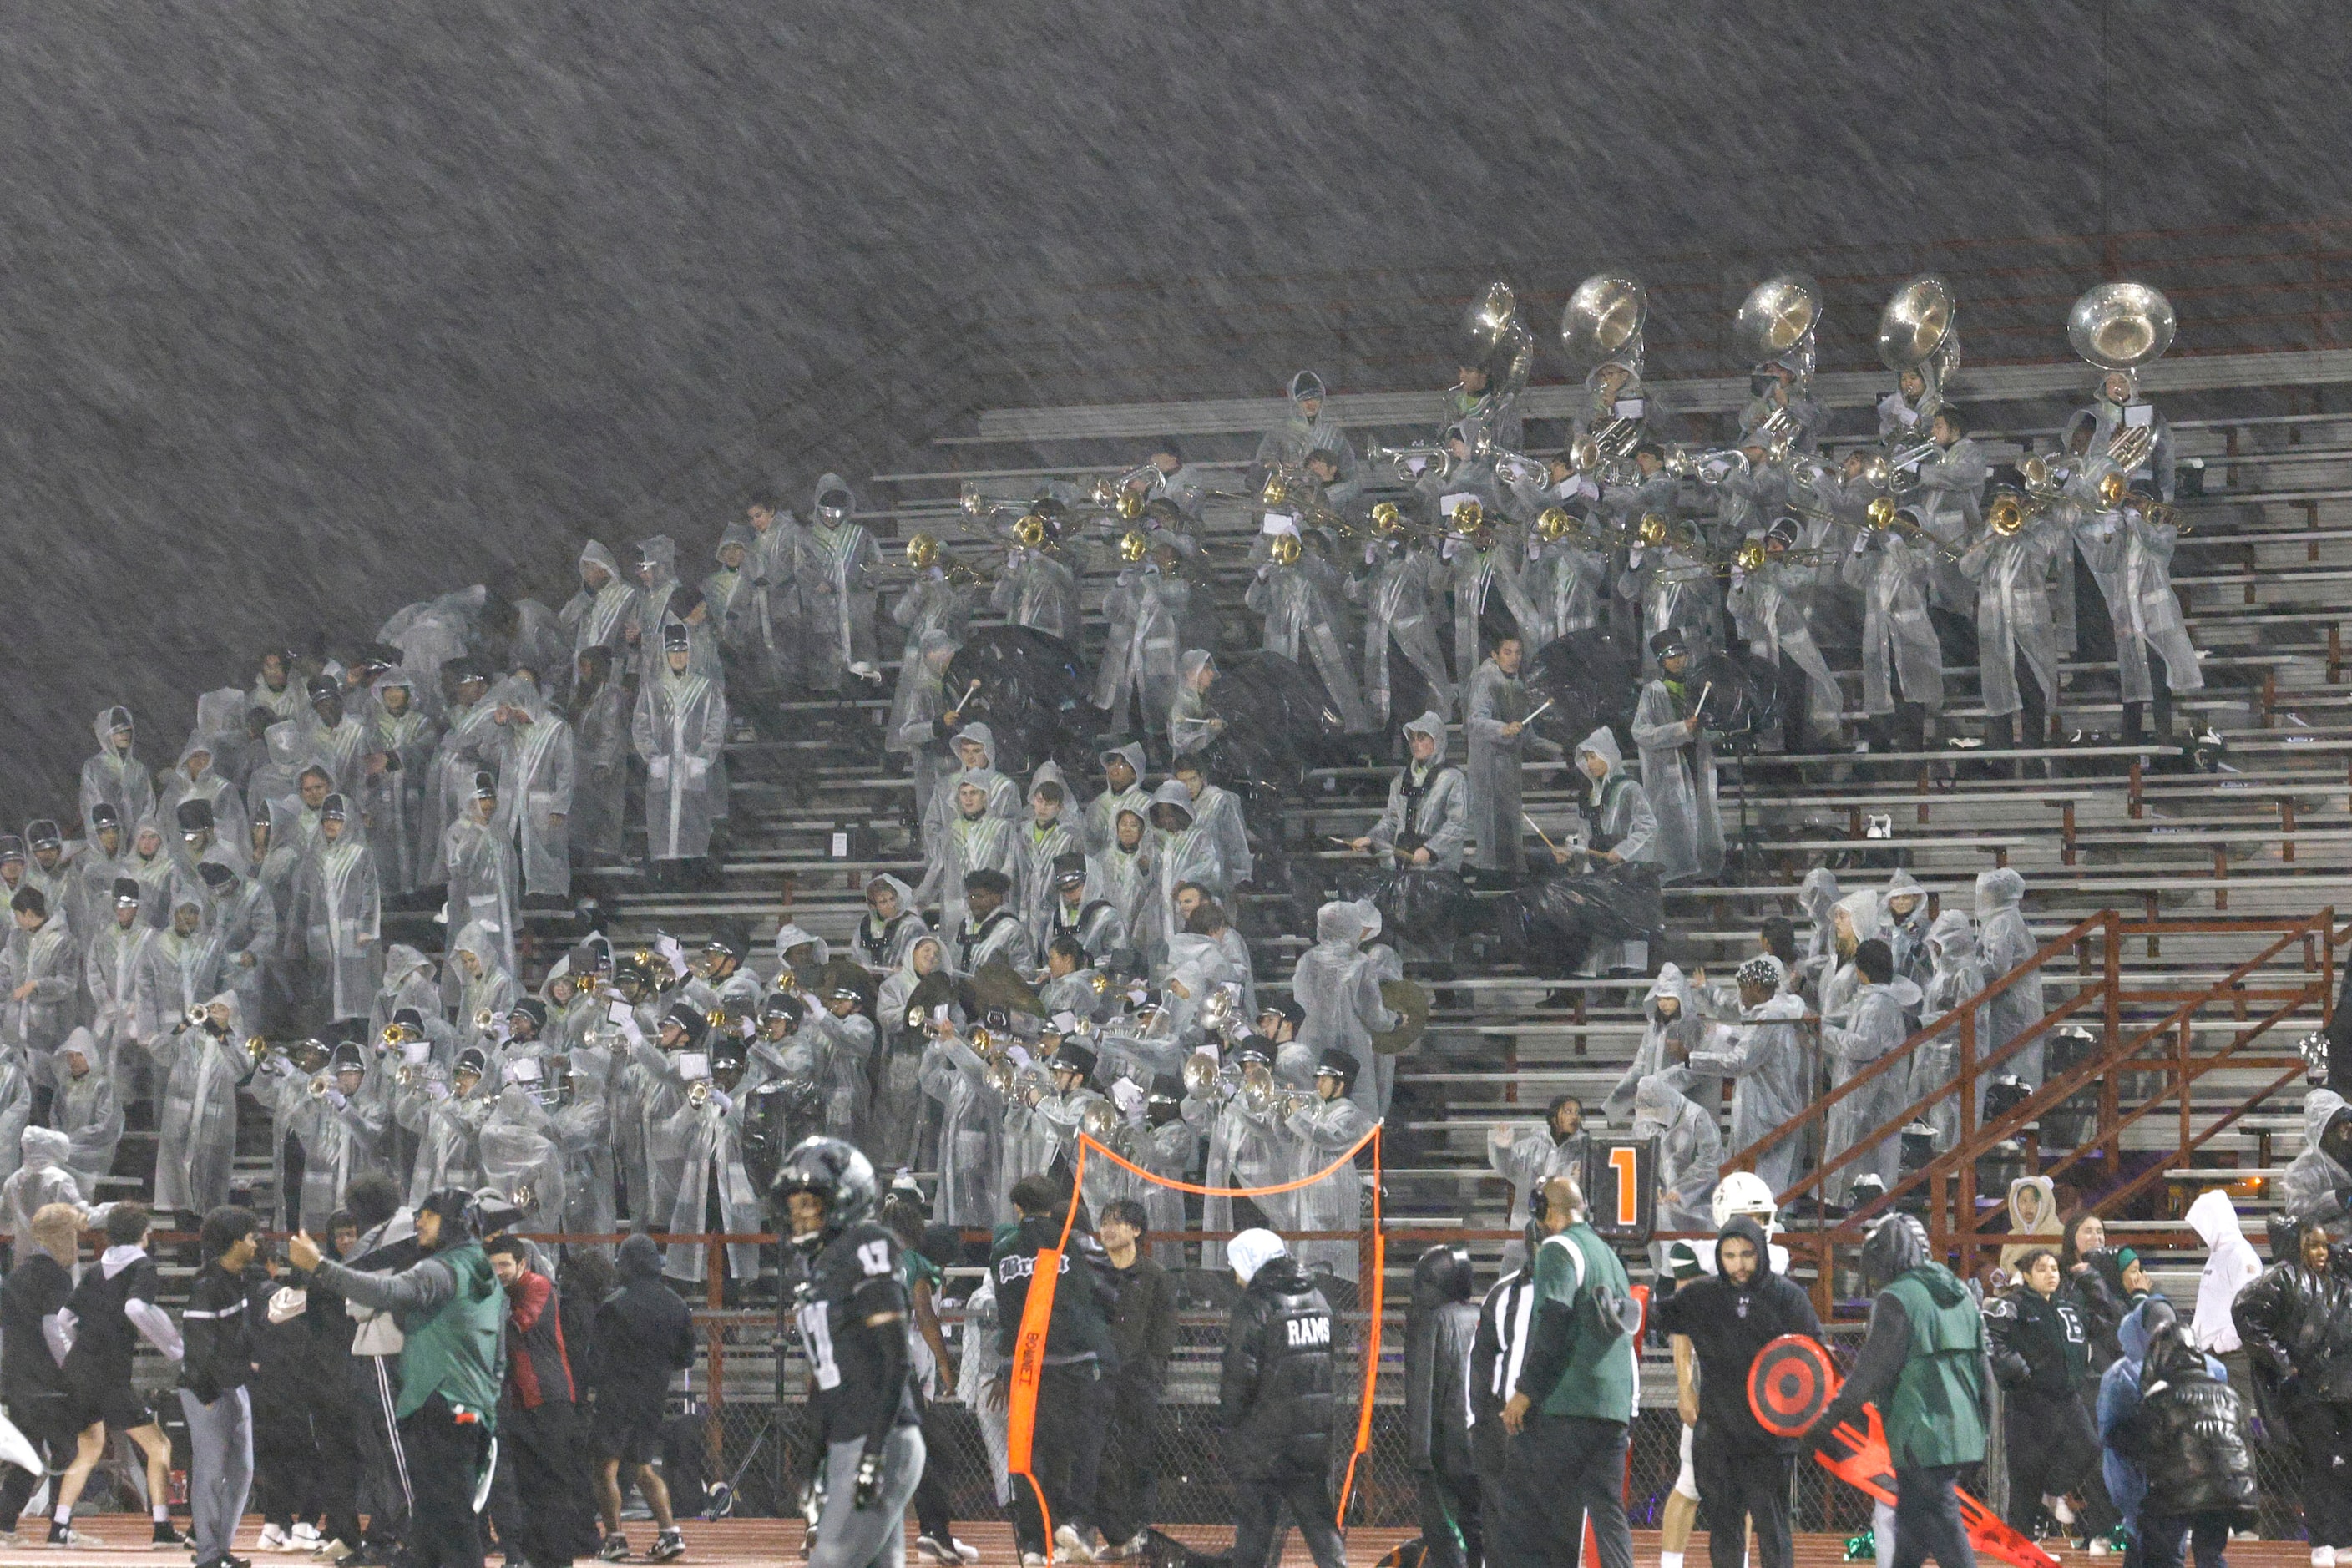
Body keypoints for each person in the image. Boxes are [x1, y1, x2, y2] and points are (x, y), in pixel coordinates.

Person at [290, 1187, 509, 1568]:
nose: (418, 1221)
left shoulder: (441, 1269)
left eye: (429, 1214)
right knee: (441, 1521)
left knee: (447, 1521)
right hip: (468, 1403)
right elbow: (498, 1345)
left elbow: (386, 1291)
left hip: (440, 1403)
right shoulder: (480, 1267)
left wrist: (320, 1267)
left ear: (453, 1222)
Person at [1803, 1214, 1989, 1568]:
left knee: (1948, 1532)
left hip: (1920, 1437)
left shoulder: (1896, 1299)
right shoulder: (1961, 1292)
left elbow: (1869, 1375)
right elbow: (1984, 1371)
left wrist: (1822, 1424)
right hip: (1963, 1432)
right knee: (1912, 1530)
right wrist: (1983, 1431)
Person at [1652, 1214, 1822, 1568]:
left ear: (1760, 1251)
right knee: (1724, 1528)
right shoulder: (1703, 1295)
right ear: (1719, 1256)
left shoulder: (1787, 1298)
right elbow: (1657, 1316)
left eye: (1747, 1254)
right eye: (1730, 1256)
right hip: (1718, 1435)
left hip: (1769, 1439)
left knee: (1773, 1529)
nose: (1739, 1265)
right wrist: (1617, 1308)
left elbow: (1816, 1356)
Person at [1498, 1176, 1637, 1568]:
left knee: (1531, 1510)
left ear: (1547, 1211)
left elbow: (1554, 1324)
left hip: (1566, 1403)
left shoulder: (1559, 1248)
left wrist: (1525, 1392)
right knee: (1608, 1515)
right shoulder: (1609, 1256)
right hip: (1612, 1407)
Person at [989, 1173, 1115, 1565]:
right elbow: (1107, 1288)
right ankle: (1074, 1525)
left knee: (1029, 1456)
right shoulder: (1073, 1243)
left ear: (1018, 1207)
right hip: (1072, 1363)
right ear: (1054, 1206)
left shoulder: (1001, 1250)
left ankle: (1032, 1544)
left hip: (1022, 1366)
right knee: (1077, 1450)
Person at [53, 1203, 185, 1549]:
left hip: (80, 1369)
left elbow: (64, 1319)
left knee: (89, 1448)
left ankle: (59, 1527)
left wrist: (79, 1355)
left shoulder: (97, 1270)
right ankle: (162, 1528)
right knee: (159, 1445)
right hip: (110, 1374)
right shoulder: (143, 1267)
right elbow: (136, 1308)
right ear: (143, 1232)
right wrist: (173, 1348)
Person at [1217, 1229, 1346, 1568]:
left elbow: (1240, 1376)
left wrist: (1230, 1427)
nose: (1235, 1275)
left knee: (1254, 1539)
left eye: (1237, 1265)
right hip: (1310, 1439)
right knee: (1322, 1531)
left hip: (1265, 1443)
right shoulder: (1318, 1299)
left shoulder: (1256, 1305)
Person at [2234, 1216, 2352, 1568]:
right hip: (2310, 1392)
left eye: (2323, 1244)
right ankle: (2321, 1540)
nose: (2321, 1251)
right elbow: (2245, 1312)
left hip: (2343, 1387)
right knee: (2320, 1464)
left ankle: (2345, 1537)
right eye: (2313, 1244)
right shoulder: (2283, 1278)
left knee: (2345, 1463)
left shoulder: (2339, 1276)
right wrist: (2284, 1361)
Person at [484, 1234, 599, 1568]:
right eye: (493, 1267)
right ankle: (537, 1557)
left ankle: (558, 1559)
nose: (499, 1272)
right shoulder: (502, 1293)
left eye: (504, 1264)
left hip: (549, 1400)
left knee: (553, 1484)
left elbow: (513, 1328)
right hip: (521, 1403)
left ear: (522, 1263)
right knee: (529, 1485)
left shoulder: (538, 1286)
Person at [586, 1234, 693, 1562]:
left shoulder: (614, 1304)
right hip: (653, 1396)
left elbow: (595, 1360)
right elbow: (685, 1358)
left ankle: (615, 1539)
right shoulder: (677, 1304)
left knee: (605, 1468)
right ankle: (669, 1533)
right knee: (644, 1468)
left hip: (617, 1395)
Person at [1985, 1247, 2101, 1540]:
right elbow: (1990, 1336)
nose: (2051, 1274)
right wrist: (2017, 1371)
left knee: (2087, 1447)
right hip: (2027, 1402)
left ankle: (2051, 1493)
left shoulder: (2066, 1305)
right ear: (2026, 1275)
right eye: (2042, 1269)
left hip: (2066, 1397)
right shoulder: (2014, 1304)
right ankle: (2021, 1548)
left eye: (2054, 1268)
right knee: (2026, 1480)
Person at [180, 1206, 260, 1568]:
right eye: (251, 1237)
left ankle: (220, 1550)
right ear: (234, 1242)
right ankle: (209, 1554)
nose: (257, 1243)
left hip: (233, 1386)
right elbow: (199, 1350)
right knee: (210, 1473)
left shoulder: (237, 1279)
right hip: (206, 1391)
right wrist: (210, 1397)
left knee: (242, 1470)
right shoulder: (207, 1287)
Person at [1687, 955, 1809, 1193]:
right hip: (1765, 1109)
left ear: (1756, 987)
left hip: (1767, 1115)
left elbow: (1741, 1060)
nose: (1740, 996)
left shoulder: (1771, 1017)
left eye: (1741, 989)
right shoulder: (1771, 1013)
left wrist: (1691, 1059)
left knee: (1763, 1188)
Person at [0, 1204, 84, 1545]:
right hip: (49, 1380)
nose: (77, 1242)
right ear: (61, 1235)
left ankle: (5, 1523)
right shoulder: (53, 1276)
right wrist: (76, 1370)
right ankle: (59, 1527)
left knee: (30, 1453)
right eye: (74, 1234)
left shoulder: (18, 1276)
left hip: (19, 1378)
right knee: (70, 1452)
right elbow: (56, 1329)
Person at [1096, 1198, 1176, 1561]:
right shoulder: (1094, 1271)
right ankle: (1115, 1532)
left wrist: (1151, 1370)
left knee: (1137, 1455)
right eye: (1104, 1222)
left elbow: (1164, 1331)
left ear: (1136, 1230)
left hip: (1138, 1381)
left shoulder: (1154, 1275)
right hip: (1098, 1379)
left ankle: (1140, 1528)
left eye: (1117, 1222)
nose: (1108, 1229)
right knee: (1098, 1457)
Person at [1822, 939, 1920, 1196]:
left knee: (1871, 1180)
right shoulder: (1870, 1001)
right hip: (1861, 1104)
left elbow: (1863, 1047)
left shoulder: (1878, 1004)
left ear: (1860, 971)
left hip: (1873, 1104)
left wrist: (1826, 1034)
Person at [1404, 1245, 1480, 1568]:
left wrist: (1420, 1455)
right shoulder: (1482, 1316)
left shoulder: (1432, 1322)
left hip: (1444, 1448)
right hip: (1481, 1444)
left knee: (1443, 1533)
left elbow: (1423, 1391)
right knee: (1477, 1528)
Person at [632, 621, 728, 876]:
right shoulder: (652, 689)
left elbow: (716, 725)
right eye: (673, 652)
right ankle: (666, 873)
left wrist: (703, 758)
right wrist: (652, 757)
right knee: (662, 824)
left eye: (683, 651)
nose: (678, 657)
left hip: (692, 767)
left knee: (694, 822)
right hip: (664, 769)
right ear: (664, 653)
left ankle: (692, 874)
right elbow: (641, 726)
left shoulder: (706, 688)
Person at [1631, 630, 1725, 886]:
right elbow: (1641, 734)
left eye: (1682, 655)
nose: (1678, 662)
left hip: (1696, 763)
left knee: (1701, 819)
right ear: (1662, 661)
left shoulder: (1696, 689)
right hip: (1669, 771)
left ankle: (1703, 875)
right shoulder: (1653, 692)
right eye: (1672, 657)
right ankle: (1675, 878)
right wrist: (1680, 729)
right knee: (1674, 827)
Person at [1289, 903, 1397, 1119]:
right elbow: (1374, 1014)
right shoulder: (1359, 963)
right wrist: (1393, 1019)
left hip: (1312, 1043)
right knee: (1354, 1111)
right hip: (1351, 1047)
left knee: (1314, 1106)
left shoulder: (1306, 961)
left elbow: (1300, 1003)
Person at [1463, 634, 1538, 882]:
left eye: (1518, 652)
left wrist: (1558, 749)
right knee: (1490, 823)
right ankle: (1491, 874)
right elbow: (1475, 721)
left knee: (1508, 822)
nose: (1514, 658)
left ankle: (1507, 874)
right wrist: (1502, 729)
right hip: (1487, 765)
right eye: (1508, 652)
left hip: (1508, 766)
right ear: (1494, 655)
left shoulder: (1517, 684)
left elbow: (1527, 733)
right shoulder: (1486, 678)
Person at [1355, 711, 1468, 873]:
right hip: (1402, 868)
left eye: (1422, 738)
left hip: (1438, 871)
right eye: (1412, 739)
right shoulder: (1400, 780)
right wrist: (1371, 839)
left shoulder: (1453, 779)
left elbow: (1456, 825)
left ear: (1437, 739)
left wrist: (1430, 850)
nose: (1415, 744)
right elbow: (1392, 820)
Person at [1485, 1095, 1587, 1268]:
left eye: (1577, 1113)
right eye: (1568, 1111)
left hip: (1565, 1228)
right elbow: (1509, 1168)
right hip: (1524, 1224)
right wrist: (1502, 1150)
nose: (1574, 1117)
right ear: (1554, 1116)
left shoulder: (1585, 1150)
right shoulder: (1532, 1146)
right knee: (1515, 1281)